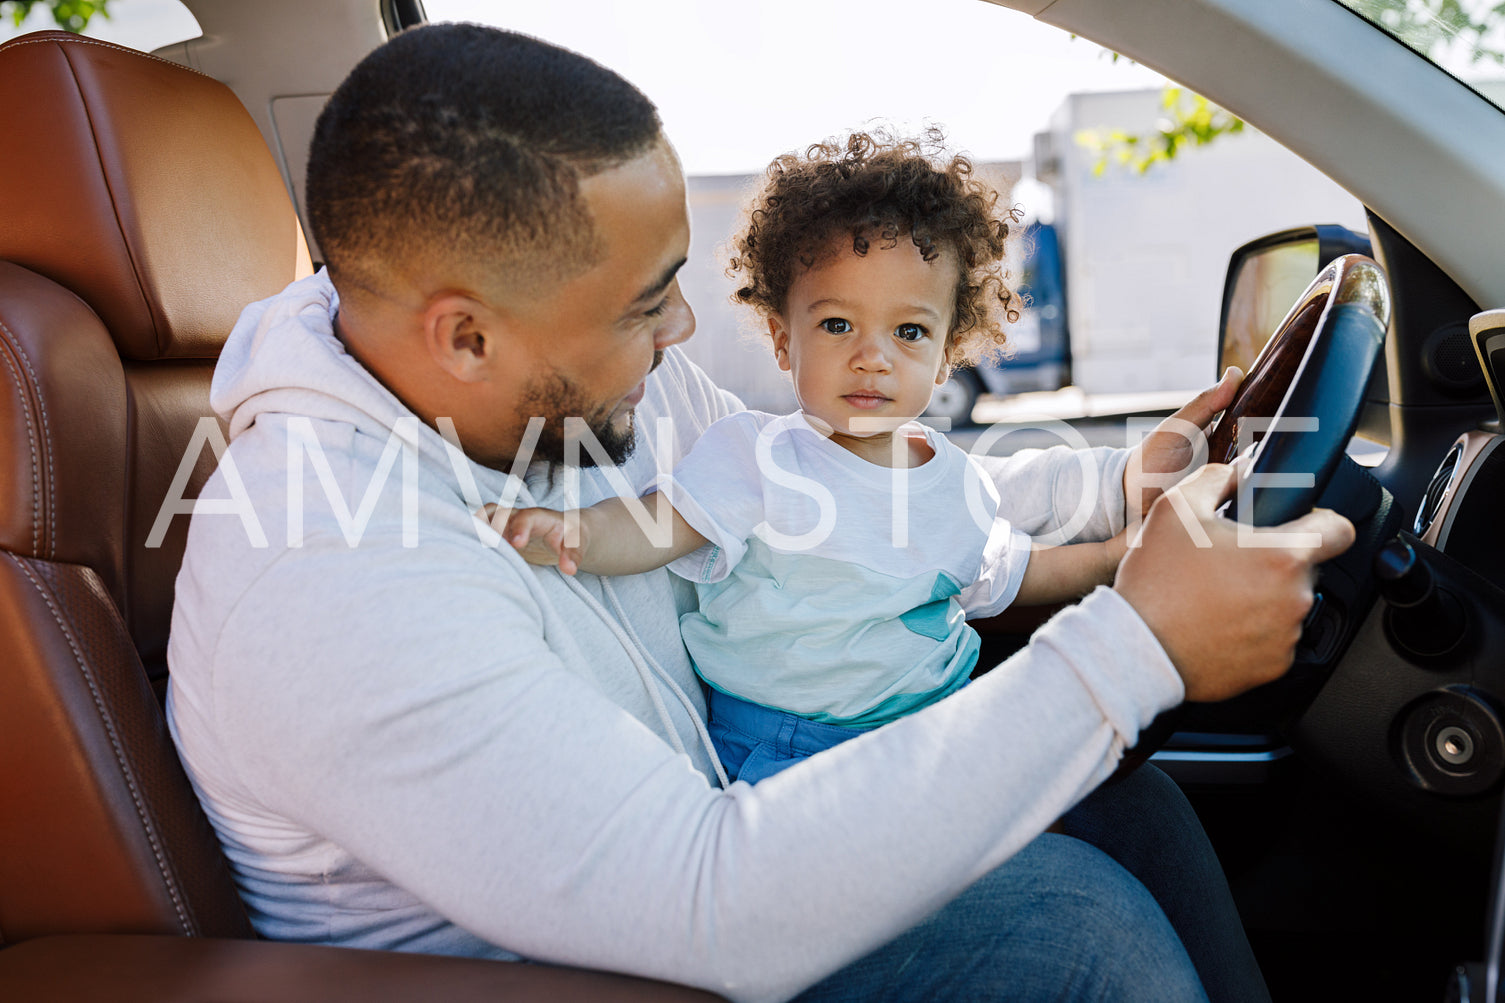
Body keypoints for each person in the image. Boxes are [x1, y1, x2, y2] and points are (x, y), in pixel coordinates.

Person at [165, 21, 1353, 1003]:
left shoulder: (565, 387)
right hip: (614, 963)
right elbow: (704, 906)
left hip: (716, 846)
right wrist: (1135, 644)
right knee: (1082, 935)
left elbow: (846, 488)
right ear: (465, 336)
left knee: (1124, 808)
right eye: (644, 307)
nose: (683, 336)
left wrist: (1118, 487)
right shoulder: (326, 574)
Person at [495, 130, 1131, 784]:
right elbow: (659, 524)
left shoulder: (955, 482)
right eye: (836, 325)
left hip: (929, 727)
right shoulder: (756, 456)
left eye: (908, 331)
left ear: (946, 353)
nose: (871, 356)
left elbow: (1009, 572)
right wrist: (577, 531)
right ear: (781, 338)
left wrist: (1113, 560)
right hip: (784, 746)